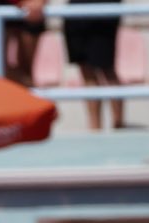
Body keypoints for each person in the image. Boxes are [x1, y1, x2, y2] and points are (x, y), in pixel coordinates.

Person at [63, 0, 125, 131]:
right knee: (86, 71)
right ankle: (95, 128)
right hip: (76, 11)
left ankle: (119, 125)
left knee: (107, 69)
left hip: (103, 11)